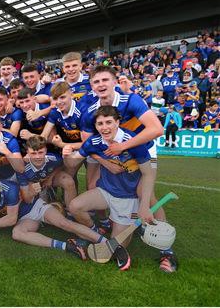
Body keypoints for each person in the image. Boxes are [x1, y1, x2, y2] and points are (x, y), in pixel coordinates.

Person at [66, 106, 176, 272]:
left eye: (109, 122)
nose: (104, 127)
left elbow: (148, 174)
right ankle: (96, 232)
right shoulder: (94, 142)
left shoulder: (133, 142)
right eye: (100, 123)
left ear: (117, 122)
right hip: (105, 191)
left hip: (128, 198)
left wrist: (144, 205)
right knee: (74, 206)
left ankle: (164, 249)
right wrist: (67, 153)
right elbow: (72, 163)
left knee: (116, 247)